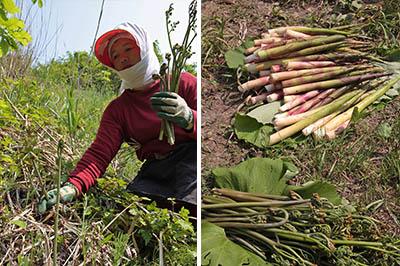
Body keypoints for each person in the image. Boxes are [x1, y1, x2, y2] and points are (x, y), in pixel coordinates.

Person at [38, 22, 197, 216]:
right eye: (115, 56)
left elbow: (211, 129)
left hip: (191, 158)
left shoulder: (182, 82)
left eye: (128, 48)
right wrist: (73, 186)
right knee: (131, 214)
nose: (122, 58)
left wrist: (190, 118)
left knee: (191, 209)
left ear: (144, 47)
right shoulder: (118, 110)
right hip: (155, 168)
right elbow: (99, 154)